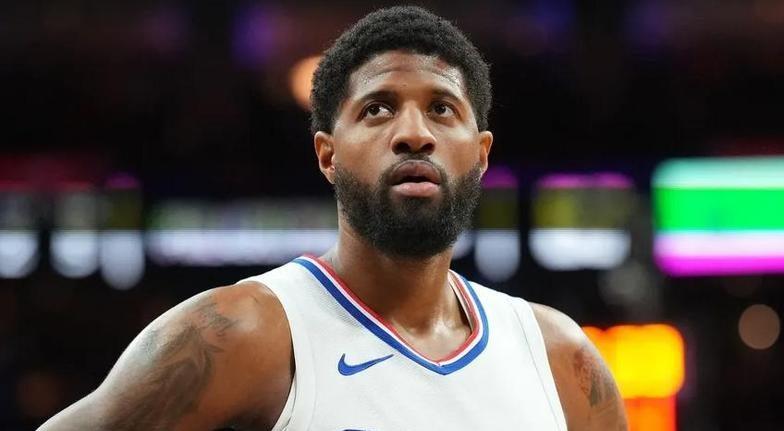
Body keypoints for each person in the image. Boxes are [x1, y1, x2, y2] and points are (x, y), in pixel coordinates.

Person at [40, 6, 627, 431]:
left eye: (442, 109)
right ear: (328, 155)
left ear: (481, 154)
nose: (414, 133)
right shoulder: (242, 333)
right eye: (378, 109)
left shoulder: (561, 359)